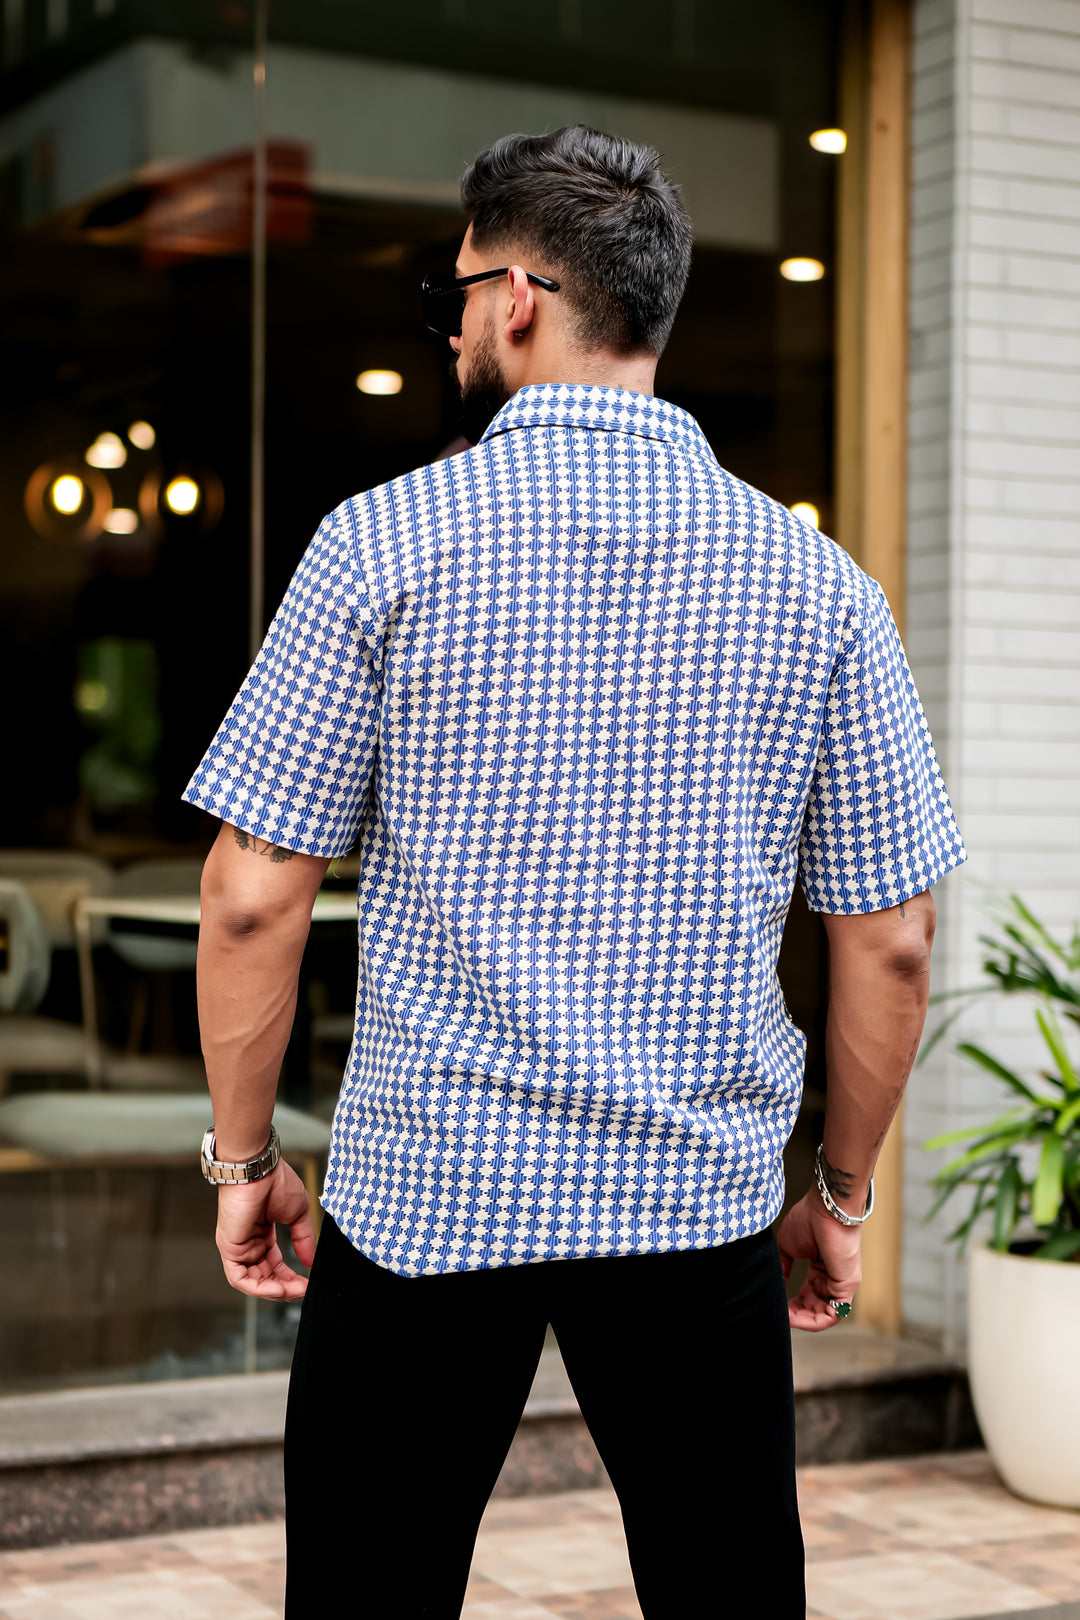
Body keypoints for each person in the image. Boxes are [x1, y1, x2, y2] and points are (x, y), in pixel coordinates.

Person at [185, 127, 964, 1619]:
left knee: (365, 1596)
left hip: (428, 1198)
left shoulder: (380, 545)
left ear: (522, 297)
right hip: (695, 1207)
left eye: (458, 293)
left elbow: (251, 891)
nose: (458, 322)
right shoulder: (819, 583)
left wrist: (244, 1161)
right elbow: (894, 937)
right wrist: (844, 1194)